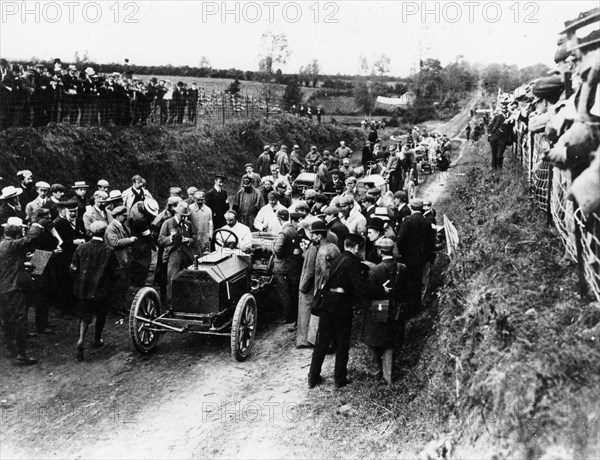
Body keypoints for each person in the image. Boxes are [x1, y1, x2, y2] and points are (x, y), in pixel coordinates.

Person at [307, 234, 373, 389]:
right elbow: (360, 288)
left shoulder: (337, 259)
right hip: (342, 305)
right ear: (356, 247)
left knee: (321, 342)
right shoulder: (353, 262)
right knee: (342, 342)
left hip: (328, 303)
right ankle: (339, 379)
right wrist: (379, 290)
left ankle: (312, 377)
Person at [71, 221, 123, 361]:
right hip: (102, 291)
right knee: (101, 316)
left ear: (91, 233)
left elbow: (73, 269)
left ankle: (81, 338)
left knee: (84, 317)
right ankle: (97, 339)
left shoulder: (81, 248)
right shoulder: (108, 250)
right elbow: (117, 272)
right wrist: (110, 285)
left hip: (84, 290)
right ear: (105, 233)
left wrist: (80, 283)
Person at [362, 238, 408, 385]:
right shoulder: (402, 268)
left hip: (380, 307)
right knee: (390, 342)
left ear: (379, 251)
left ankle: (376, 374)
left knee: (374, 340)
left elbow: (370, 293)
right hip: (396, 309)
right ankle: (388, 377)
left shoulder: (374, 270)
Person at [0, 217, 42, 364]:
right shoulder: (10, 245)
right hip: (13, 288)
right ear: (17, 234)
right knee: (20, 320)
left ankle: (10, 349)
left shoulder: (3, 244)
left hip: (3, 288)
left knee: (7, 320)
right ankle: (21, 355)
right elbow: (29, 239)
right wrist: (36, 225)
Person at [396, 199, 436, 315]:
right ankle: (416, 308)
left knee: (408, 282)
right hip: (421, 259)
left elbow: (400, 240)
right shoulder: (426, 222)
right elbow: (430, 242)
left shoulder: (407, 221)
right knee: (417, 282)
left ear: (411, 208)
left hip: (408, 259)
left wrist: (403, 253)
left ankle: (408, 308)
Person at [306, 219, 341, 346]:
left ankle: (322, 342)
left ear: (319, 236)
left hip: (323, 287)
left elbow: (327, 274)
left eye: (313, 235)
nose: (311, 237)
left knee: (322, 316)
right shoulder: (334, 247)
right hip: (337, 288)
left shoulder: (322, 251)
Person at [158, 201, 195, 306]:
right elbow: (160, 240)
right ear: (177, 213)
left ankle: (186, 303)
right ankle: (171, 305)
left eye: (186, 216)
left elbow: (194, 238)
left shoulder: (188, 224)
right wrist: (171, 238)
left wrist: (188, 240)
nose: (184, 218)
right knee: (172, 279)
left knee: (188, 279)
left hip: (187, 255)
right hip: (173, 254)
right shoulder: (168, 223)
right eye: (182, 215)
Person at [105, 205, 137, 315]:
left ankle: (121, 306)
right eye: (124, 216)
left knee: (124, 284)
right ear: (118, 216)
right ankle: (117, 308)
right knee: (118, 285)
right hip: (118, 259)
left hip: (124, 258)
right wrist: (130, 240)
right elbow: (114, 243)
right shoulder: (111, 228)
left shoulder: (121, 225)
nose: (126, 218)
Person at [272, 209, 303, 325]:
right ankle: (292, 315)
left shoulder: (283, 232)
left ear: (279, 219)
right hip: (292, 266)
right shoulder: (294, 230)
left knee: (283, 293)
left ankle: (287, 317)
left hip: (281, 266)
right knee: (291, 292)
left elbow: (276, 249)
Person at [488, 102, 514, 169]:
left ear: (507, 108)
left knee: (499, 155)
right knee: (494, 154)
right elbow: (491, 125)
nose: (503, 110)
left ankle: (499, 168)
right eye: (502, 108)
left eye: (505, 108)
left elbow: (511, 127)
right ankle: (494, 168)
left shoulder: (510, 116)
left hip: (503, 138)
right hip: (494, 137)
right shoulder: (498, 117)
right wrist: (490, 134)